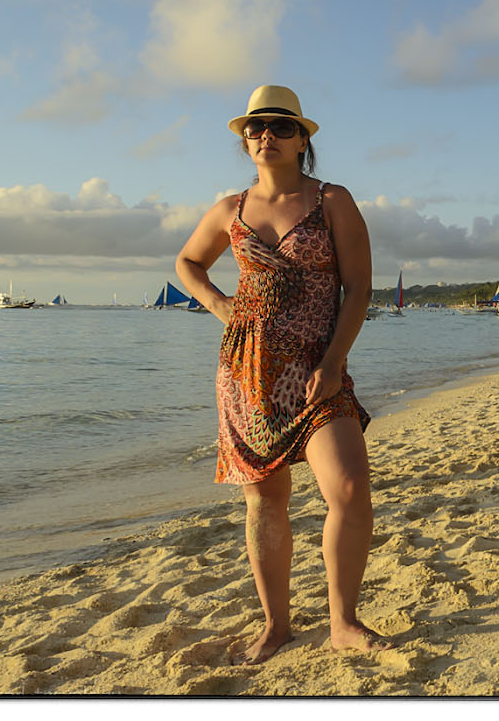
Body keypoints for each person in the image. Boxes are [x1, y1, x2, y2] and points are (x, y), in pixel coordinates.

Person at [176, 84, 388, 662]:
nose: (266, 136)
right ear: (246, 142)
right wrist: (220, 305)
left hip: (319, 369)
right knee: (264, 503)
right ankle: (276, 625)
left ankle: (343, 621)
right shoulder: (229, 210)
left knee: (347, 489)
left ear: (302, 140)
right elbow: (187, 263)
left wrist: (334, 361)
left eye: (280, 127)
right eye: (255, 128)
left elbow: (358, 288)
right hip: (247, 372)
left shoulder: (332, 201)